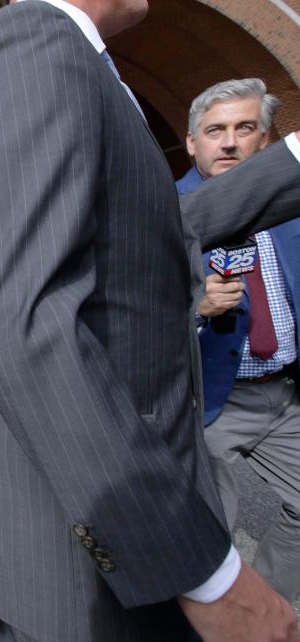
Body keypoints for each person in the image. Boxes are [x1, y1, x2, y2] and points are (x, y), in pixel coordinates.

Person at [0, 1, 300, 640]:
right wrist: (206, 575)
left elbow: (149, 233)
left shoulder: (75, 61)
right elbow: (27, 321)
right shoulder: (31, 43)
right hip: (72, 554)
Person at [178, 78, 300, 603]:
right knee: (208, 535)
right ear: (191, 143)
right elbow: (123, 316)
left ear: (267, 140)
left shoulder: (293, 209)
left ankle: (262, 611)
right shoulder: (163, 212)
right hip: (204, 399)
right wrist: (194, 307)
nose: (229, 142)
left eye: (244, 128)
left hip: (285, 392)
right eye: (215, 131)